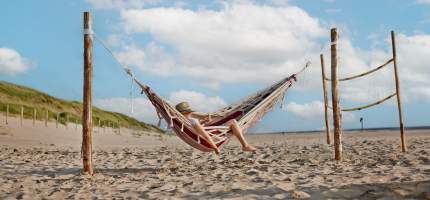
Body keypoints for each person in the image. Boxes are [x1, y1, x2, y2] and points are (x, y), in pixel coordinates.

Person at [175, 102, 257, 154]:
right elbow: (205, 135)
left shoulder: (184, 121)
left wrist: (204, 122)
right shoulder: (193, 121)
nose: (192, 113)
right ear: (188, 112)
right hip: (212, 136)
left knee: (220, 120)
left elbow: (197, 129)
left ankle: (235, 134)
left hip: (207, 133)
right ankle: (245, 145)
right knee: (233, 122)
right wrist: (215, 148)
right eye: (190, 112)